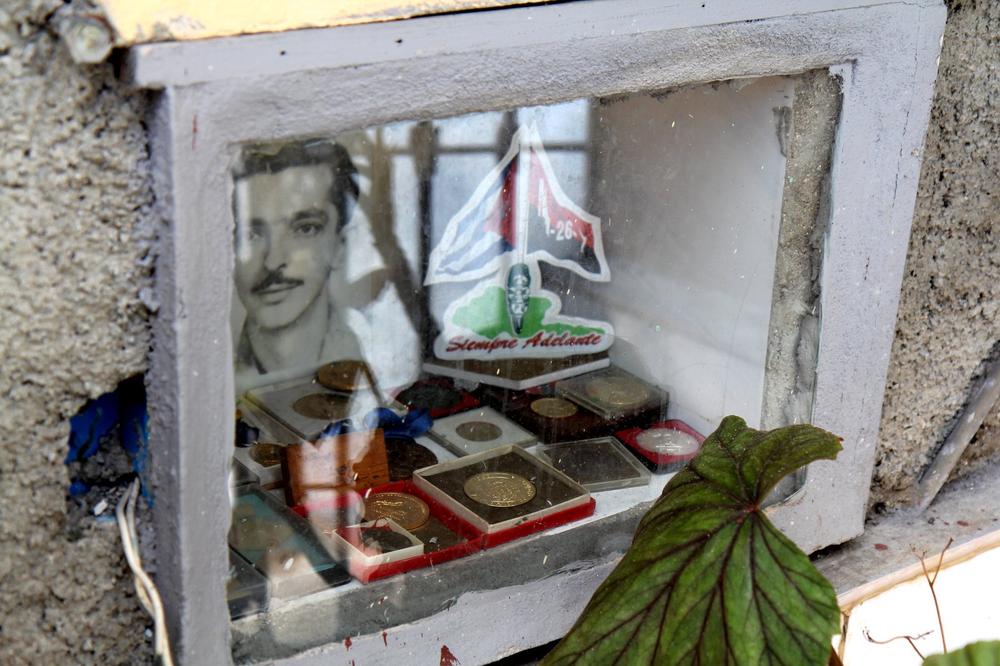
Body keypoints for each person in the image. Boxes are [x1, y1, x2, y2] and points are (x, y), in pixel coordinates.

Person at [232, 139, 364, 383]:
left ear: (339, 246)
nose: (273, 262)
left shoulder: (377, 360)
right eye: (251, 234)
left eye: (305, 229)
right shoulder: (215, 376)